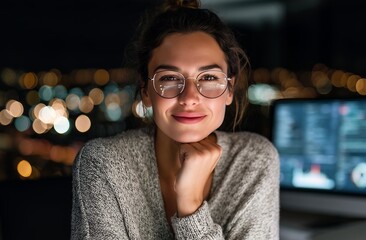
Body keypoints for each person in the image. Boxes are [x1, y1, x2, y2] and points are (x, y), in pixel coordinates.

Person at [70, 0, 280, 239]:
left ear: (229, 90)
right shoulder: (103, 163)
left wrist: (189, 204)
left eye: (209, 78)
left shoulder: (254, 160)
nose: (189, 98)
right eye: (169, 78)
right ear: (146, 91)